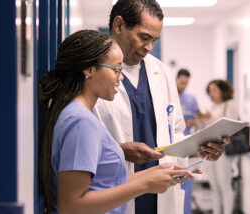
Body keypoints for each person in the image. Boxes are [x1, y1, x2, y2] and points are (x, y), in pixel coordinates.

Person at [93, 1, 229, 214]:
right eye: (144, 37)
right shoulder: (91, 72)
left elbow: (174, 132)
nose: (149, 48)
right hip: (112, 195)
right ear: (119, 25)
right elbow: (81, 142)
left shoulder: (161, 72)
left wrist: (200, 148)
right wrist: (120, 150)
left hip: (160, 196)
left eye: (154, 40)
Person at [38, 30, 192, 214]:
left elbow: (103, 185)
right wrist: (145, 184)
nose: (121, 77)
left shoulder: (78, 115)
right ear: (89, 70)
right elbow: (72, 205)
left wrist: (155, 173)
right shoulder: (80, 122)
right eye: (116, 69)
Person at [196, 80, 238, 214]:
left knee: (224, 185)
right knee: (214, 186)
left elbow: (229, 127)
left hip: (223, 151)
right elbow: (203, 128)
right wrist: (200, 118)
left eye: (214, 90)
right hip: (210, 150)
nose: (211, 94)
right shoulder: (212, 107)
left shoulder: (230, 104)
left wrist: (209, 118)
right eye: (209, 91)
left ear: (222, 90)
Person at [175, 68, 199, 214]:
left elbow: (196, 119)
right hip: (173, 146)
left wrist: (191, 122)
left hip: (188, 146)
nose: (183, 86)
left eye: (186, 83)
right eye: (181, 82)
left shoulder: (191, 99)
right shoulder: (168, 96)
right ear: (175, 79)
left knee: (187, 183)